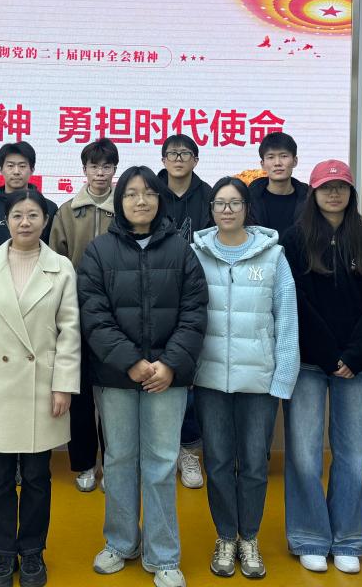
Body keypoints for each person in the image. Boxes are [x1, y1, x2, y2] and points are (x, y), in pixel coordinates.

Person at [79, 166, 208, 587]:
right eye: (131, 193)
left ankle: (163, 555)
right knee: (118, 461)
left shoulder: (182, 251)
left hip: (167, 378)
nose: (141, 201)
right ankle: (120, 543)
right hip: (116, 376)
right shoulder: (99, 251)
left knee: (161, 464)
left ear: (160, 200)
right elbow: (93, 314)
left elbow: (194, 312)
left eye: (149, 193)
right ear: (119, 202)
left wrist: (169, 364)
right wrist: (131, 361)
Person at [0, 188, 80, 587]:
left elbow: (70, 331)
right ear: (6, 221)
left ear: (45, 220)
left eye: (33, 215)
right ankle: (1, 553)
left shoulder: (61, 268)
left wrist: (63, 385)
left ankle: (32, 552)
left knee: (36, 476)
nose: (25, 222)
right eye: (17, 216)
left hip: (42, 385)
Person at [280, 160, 362, 575]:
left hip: (357, 365)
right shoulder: (294, 240)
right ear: (312, 193)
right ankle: (309, 536)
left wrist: (355, 355)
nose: (334, 194)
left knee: (354, 454)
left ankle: (348, 539)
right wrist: (330, 355)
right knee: (304, 455)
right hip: (309, 362)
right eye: (326, 187)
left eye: (341, 187)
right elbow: (294, 301)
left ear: (351, 192)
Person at [190, 176, 300, 579]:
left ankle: (249, 537)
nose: (227, 210)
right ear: (211, 209)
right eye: (220, 203)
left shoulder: (273, 255)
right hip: (209, 380)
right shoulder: (195, 254)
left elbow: (286, 319)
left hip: (259, 381)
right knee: (218, 462)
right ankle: (226, 536)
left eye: (235, 203)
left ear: (247, 209)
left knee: (254, 463)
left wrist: (283, 376)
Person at [49, 138, 118, 493]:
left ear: (115, 170)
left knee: (113, 396)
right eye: (94, 166)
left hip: (116, 316)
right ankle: (84, 464)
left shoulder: (125, 209)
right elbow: (54, 261)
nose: (100, 173)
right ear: (84, 170)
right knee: (79, 396)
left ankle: (114, 465)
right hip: (75, 314)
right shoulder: (66, 212)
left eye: (107, 166)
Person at [156, 134, 211, 489]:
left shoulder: (209, 196)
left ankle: (189, 451)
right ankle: (159, 450)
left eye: (185, 153)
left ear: (195, 159)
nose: (178, 158)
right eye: (172, 153)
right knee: (157, 372)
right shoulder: (150, 192)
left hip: (197, 292)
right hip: (156, 294)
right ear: (163, 159)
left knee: (190, 376)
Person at [0, 141, 57, 257]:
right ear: (1, 169)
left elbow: (53, 248)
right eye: (10, 166)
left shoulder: (49, 207)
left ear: (32, 169)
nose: (16, 172)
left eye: (22, 166)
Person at [246, 132, 309, 236]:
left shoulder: (309, 198)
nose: (277, 163)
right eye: (271, 157)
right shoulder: (248, 199)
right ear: (262, 164)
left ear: (295, 161)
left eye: (284, 156)